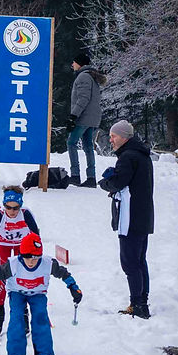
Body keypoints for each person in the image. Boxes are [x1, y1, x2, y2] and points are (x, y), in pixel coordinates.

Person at [0, 233, 82, 355]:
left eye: (35, 257)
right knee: (17, 317)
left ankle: (44, 353)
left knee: (41, 317)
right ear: (21, 255)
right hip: (17, 293)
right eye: (27, 257)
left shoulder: (48, 263)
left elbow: (64, 274)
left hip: (38, 294)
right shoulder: (13, 265)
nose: (31, 261)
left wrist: (73, 288)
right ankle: (15, 354)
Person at [99, 120, 154, 319]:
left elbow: (118, 183)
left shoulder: (128, 157)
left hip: (130, 218)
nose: (111, 140)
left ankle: (137, 305)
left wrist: (105, 182)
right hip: (143, 216)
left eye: (114, 136)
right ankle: (142, 303)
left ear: (125, 137)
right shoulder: (141, 155)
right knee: (139, 261)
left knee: (130, 263)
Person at [0, 186, 40, 339]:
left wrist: (35, 249)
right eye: (8, 207)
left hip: (23, 246)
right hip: (4, 246)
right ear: (4, 205)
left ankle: (23, 313)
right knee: (4, 277)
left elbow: (36, 235)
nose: (12, 211)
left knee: (23, 277)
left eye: (15, 208)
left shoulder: (25, 214)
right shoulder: (0, 215)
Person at [66, 52, 106, 188]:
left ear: (80, 63)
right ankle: (91, 177)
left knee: (71, 143)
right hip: (93, 119)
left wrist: (73, 116)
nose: (72, 65)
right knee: (88, 146)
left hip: (83, 117)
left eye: (74, 62)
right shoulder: (92, 77)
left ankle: (75, 175)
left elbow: (83, 98)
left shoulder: (83, 77)